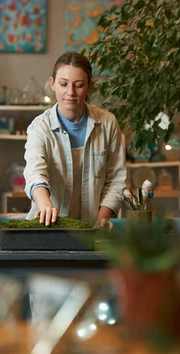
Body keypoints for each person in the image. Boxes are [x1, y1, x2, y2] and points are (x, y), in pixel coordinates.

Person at [23, 52, 127, 230]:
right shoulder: (39, 127)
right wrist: (45, 205)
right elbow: (34, 172)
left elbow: (116, 179)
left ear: (89, 87)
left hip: (92, 229)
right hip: (48, 228)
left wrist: (102, 218)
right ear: (52, 84)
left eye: (78, 85)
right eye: (63, 84)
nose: (70, 93)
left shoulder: (108, 123)